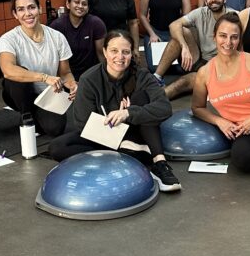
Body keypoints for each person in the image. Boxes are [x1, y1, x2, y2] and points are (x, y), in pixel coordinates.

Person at [49, 30, 182, 192]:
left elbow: (164, 108)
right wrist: (114, 130)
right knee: (57, 147)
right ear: (105, 52)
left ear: (131, 54)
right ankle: (128, 154)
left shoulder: (142, 75)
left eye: (125, 52)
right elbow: (82, 123)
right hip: (103, 135)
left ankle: (159, 163)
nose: (120, 57)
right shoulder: (89, 79)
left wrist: (128, 113)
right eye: (114, 51)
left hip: (137, 131)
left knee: (141, 98)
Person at [191, 12, 250, 174]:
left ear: (239, 39)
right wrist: (219, 121)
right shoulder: (205, 73)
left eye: (234, 37)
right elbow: (197, 107)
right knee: (242, 158)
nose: (228, 42)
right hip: (241, 128)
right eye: (223, 36)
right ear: (214, 36)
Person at [0, 0, 77, 137]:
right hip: (19, 94)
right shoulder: (8, 38)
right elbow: (7, 70)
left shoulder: (57, 37)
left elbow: (65, 73)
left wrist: (73, 85)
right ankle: (26, 115)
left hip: (47, 95)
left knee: (55, 128)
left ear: (40, 9)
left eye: (31, 7)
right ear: (15, 14)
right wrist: (44, 77)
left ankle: (36, 116)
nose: (27, 13)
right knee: (16, 75)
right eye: (21, 9)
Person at [152, 0, 235, 100]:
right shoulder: (201, 12)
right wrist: (184, 47)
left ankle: (155, 99)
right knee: (180, 33)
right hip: (201, 60)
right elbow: (174, 25)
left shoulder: (234, 17)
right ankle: (157, 77)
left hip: (219, 69)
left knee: (182, 83)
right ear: (205, 0)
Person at [48, 0, 107, 78]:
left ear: (88, 8)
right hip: (67, 76)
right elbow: (53, 58)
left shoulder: (96, 24)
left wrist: (106, 76)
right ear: (68, 4)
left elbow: (101, 53)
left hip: (92, 75)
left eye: (84, 4)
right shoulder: (57, 26)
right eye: (76, 2)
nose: (80, 6)